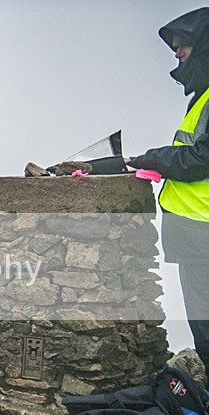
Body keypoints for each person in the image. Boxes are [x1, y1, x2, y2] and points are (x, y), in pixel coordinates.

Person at [126, 8, 209, 382]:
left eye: (184, 45)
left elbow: (199, 159)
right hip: (195, 237)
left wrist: (152, 158)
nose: (177, 54)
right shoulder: (203, 99)